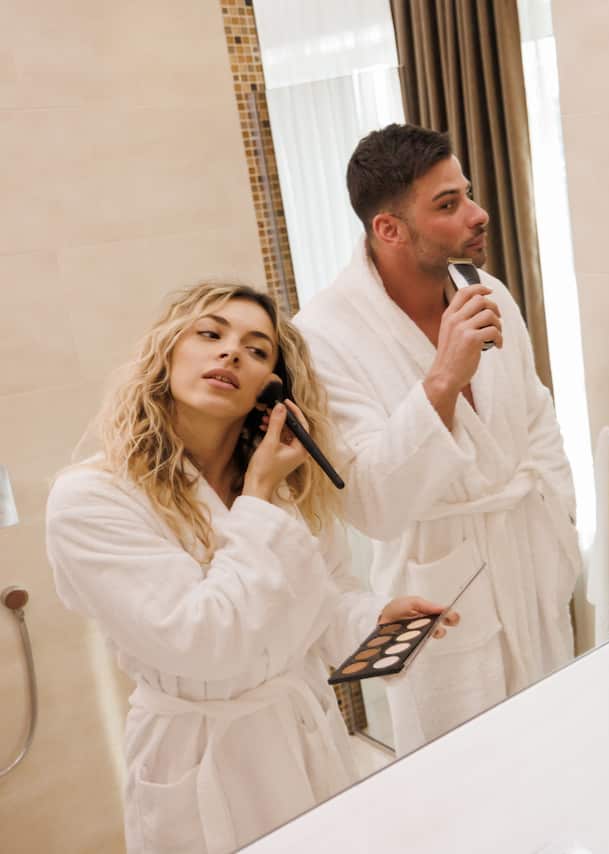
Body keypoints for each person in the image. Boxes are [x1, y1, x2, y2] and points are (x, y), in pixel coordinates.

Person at [46, 283, 456, 854]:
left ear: (273, 390)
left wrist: (376, 616)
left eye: (257, 350)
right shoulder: (93, 498)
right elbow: (205, 639)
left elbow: (321, 602)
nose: (231, 354)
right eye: (210, 335)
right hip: (200, 759)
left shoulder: (285, 487)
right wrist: (258, 498)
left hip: (301, 741)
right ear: (166, 353)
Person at [294, 124, 579, 752]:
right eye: (447, 205)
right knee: (464, 777)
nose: (477, 215)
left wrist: (559, 522)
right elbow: (369, 503)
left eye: (467, 194)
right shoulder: (321, 335)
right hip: (441, 590)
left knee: (554, 750)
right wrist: (444, 377)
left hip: (529, 556)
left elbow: (536, 415)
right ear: (388, 229)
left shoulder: (485, 289)